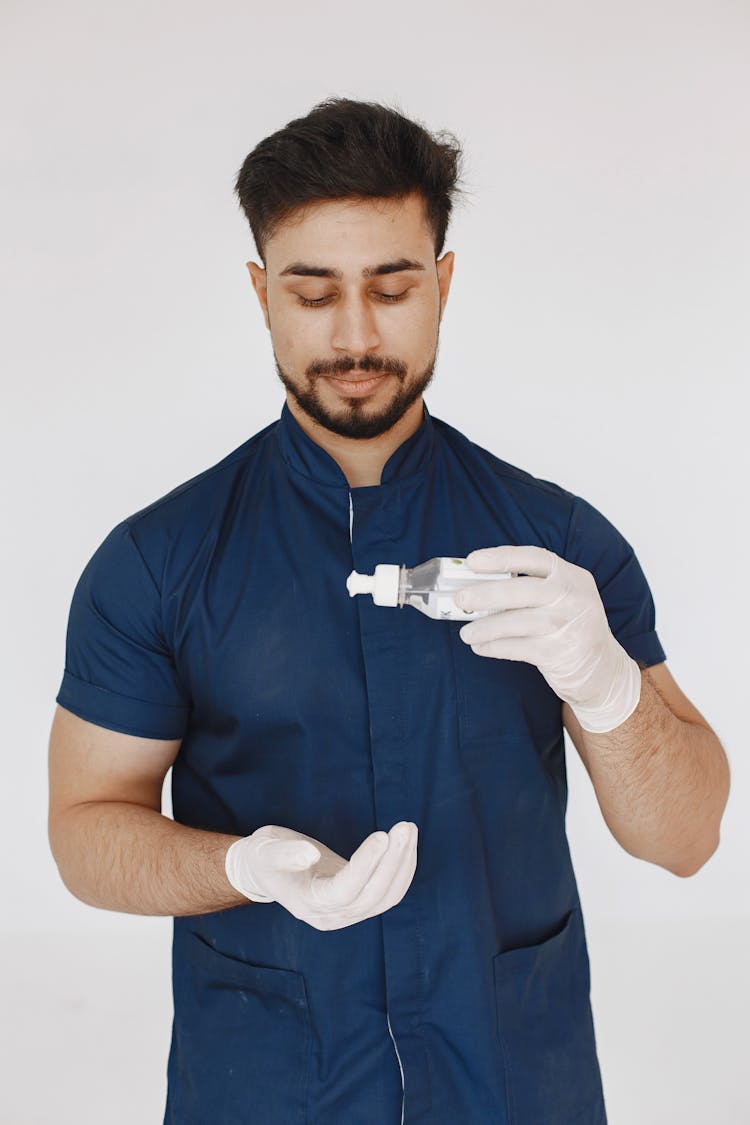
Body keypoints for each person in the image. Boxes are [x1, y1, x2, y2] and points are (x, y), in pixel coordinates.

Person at [48, 97, 730, 1125]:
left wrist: (607, 688)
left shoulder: (559, 544)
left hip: (510, 1085)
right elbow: (85, 835)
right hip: (269, 1086)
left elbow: (687, 839)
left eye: (393, 287)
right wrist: (239, 866)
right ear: (260, 292)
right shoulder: (159, 562)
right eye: (312, 293)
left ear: (444, 285)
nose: (355, 335)